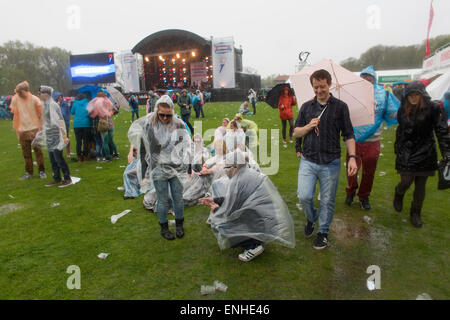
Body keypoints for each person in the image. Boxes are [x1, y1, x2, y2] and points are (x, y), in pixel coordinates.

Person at [293, 69, 358, 250]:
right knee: (304, 196)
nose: (319, 90)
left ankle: (323, 232)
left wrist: (352, 157)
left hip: (330, 162)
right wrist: (308, 126)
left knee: (327, 200)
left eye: (322, 86)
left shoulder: (340, 107)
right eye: (316, 87)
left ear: (329, 84)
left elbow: (349, 134)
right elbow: (295, 132)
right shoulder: (306, 107)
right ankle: (311, 218)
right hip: (308, 160)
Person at [199, 150, 295, 262]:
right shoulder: (247, 173)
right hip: (267, 220)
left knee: (221, 223)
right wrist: (214, 200)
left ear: (234, 167)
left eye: (226, 168)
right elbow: (232, 201)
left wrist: (215, 209)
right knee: (226, 218)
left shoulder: (238, 182)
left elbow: (229, 213)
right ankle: (255, 240)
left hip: (261, 223)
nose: (225, 171)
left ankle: (253, 246)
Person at [128, 95, 192, 240]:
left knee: (178, 198)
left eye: (167, 115)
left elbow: (187, 146)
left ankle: (179, 225)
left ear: (172, 112)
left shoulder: (179, 124)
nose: (164, 118)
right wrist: (144, 171)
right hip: (158, 168)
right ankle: (164, 228)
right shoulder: (149, 125)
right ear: (156, 111)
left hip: (176, 167)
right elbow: (144, 149)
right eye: (161, 114)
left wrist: (188, 167)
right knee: (162, 199)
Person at [393, 81, 449, 228]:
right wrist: (398, 149)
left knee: (420, 185)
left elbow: (441, 131)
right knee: (406, 180)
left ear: (422, 95)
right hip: (407, 150)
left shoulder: (433, 109)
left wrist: (446, 152)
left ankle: (415, 213)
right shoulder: (403, 109)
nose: (413, 98)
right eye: (410, 95)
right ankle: (399, 192)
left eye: (416, 94)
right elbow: (400, 131)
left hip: (426, 150)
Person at [345, 66, 400, 210]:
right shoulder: (352, 94)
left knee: (369, 172)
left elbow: (391, 113)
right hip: (354, 140)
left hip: (373, 141)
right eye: (363, 77)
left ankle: (364, 196)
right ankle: (351, 190)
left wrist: (399, 114)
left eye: (369, 78)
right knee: (351, 170)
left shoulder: (383, 94)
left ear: (374, 80)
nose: (366, 80)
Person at [10, 81, 46, 180]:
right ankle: (29, 172)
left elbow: (40, 116)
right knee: (26, 153)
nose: (19, 94)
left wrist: (40, 129)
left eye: (20, 92)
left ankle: (41, 171)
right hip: (22, 131)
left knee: (38, 151)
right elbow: (15, 115)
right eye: (18, 92)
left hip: (34, 130)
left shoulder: (35, 100)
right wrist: (17, 129)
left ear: (26, 90)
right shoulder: (15, 99)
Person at [36, 86, 72, 187]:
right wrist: (41, 133)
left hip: (56, 135)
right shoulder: (45, 105)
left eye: (39, 93)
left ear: (45, 94)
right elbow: (45, 122)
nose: (38, 95)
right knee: (52, 159)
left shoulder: (53, 105)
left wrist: (64, 136)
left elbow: (59, 121)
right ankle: (56, 178)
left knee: (58, 158)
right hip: (49, 136)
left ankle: (67, 178)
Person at [87, 92, 118, 162]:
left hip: (103, 124)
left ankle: (107, 157)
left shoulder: (98, 104)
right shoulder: (109, 102)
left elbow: (92, 114)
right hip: (111, 124)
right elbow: (115, 110)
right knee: (111, 141)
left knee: (105, 142)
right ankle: (116, 154)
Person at [70, 94, 91, 162]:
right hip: (86, 124)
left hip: (77, 124)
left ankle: (79, 157)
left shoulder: (75, 103)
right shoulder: (88, 103)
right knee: (86, 141)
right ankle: (85, 156)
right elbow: (90, 113)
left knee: (78, 142)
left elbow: (72, 112)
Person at [55, 93, 71, 158]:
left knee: (65, 137)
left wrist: (58, 107)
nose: (60, 98)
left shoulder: (64, 104)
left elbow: (63, 114)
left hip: (64, 123)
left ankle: (68, 153)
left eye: (61, 97)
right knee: (57, 138)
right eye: (59, 97)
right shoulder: (54, 104)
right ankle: (59, 152)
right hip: (56, 124)